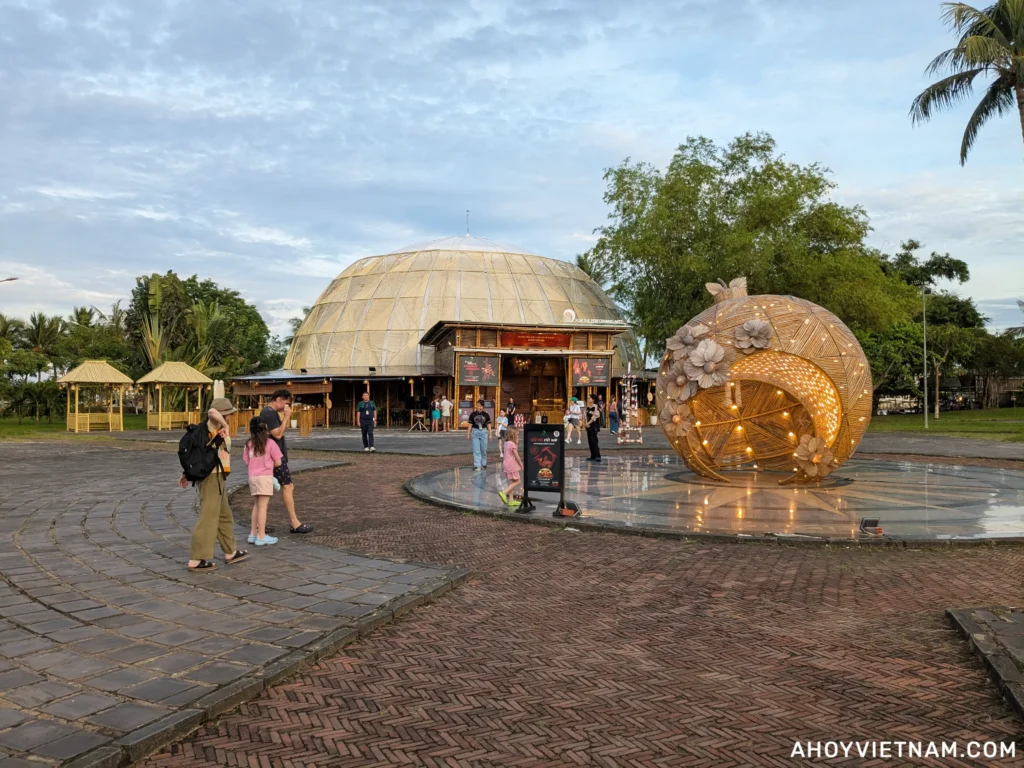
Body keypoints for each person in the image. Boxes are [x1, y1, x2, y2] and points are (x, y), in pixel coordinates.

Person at [183, 398, 249, 570]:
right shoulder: (212, 425)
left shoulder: (215, 428)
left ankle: (230, 551)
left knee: (224, 516)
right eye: (229, 414)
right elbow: (212, 411)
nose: (231, 417)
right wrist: (224, 425)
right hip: (211, 478)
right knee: (208, 517)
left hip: (217, 477)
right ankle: (197, 559)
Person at [260, 390, 313, 534]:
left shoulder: (267, 412)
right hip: (275, 457)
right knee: (287, 486)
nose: (286, 406)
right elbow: (277, 434)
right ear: (278, 399)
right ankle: (294, 522)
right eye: (286, 403)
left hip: (272, 455)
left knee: (266, 490)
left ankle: (259, 524)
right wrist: (286, 418)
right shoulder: (270, 413)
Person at [242, 417, 281, 546]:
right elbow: (278, 461)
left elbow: (246, 461)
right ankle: (261, 535)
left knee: (256, 505)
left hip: (252, 477)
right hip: (265, 477)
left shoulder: (248, 444)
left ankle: (253, 534)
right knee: (263, 507)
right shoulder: (270, 443)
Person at [498, 427, 522, 507]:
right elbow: (517, 456)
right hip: (512, 465)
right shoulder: (512, 444)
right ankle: (504, 493)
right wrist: (521, 464)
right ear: (512, 435)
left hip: (506, 464)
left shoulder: (506, 443)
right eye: (517, 435)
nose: (518, 437)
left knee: (512, 482)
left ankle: (511, 501)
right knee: (517, 481)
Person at [465, 400, 492, 470]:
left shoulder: (486, 415)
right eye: (477, 405)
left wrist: (490, 434)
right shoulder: (473, 414)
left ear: (483, 407)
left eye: (480, 406)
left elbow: (488, 425)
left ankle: (484, 463)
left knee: (483, 449)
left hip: (483, 432)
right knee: (476, 450)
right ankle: (477, 465)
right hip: (475, 432)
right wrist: (468, 434)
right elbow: (470, 425)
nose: (478, 407)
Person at [585, 395, 602, 462]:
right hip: (588, 426)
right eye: (588, 398)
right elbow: (586, 416)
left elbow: (595, 417)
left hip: (593, 426)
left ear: (593, 399)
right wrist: (585, 423)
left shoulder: (595, 406)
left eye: (590, 398)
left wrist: (588, 423)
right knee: (590, 441)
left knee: (594, 441)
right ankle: (592, 456)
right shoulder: (588, 407)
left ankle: (598, 456)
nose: (588, 399)